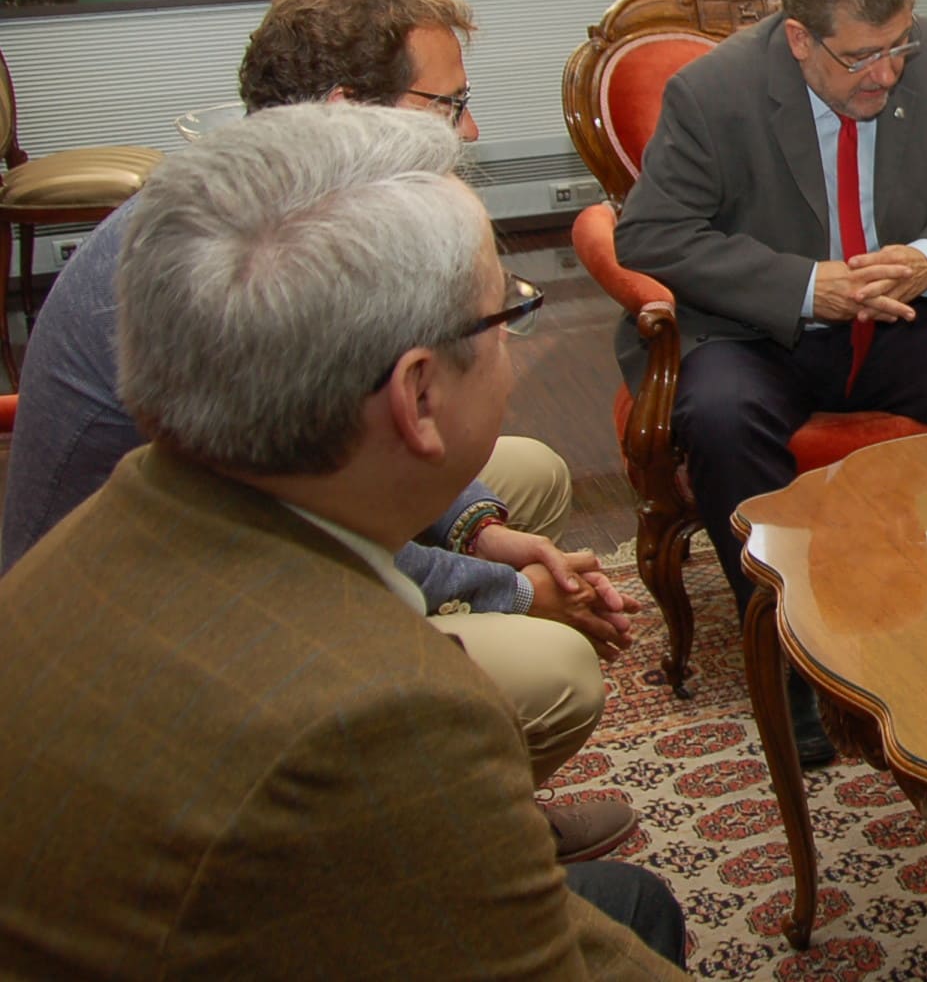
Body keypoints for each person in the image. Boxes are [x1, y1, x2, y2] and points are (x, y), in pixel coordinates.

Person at [0, 104, 686, 976]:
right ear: (419, 396)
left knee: (630, 904)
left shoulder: (130, 510)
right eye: (505, 309)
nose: (515, 329)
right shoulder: (386, 717)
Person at [613, 0, 927, 757]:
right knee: (720, 413)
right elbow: (652, 235)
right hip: (757, 332)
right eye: (861, 58)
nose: (887, 73)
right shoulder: (715, 92)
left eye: (898, 47)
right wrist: (807, 286)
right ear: (800, 38)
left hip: (893, 321)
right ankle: (785, 652)